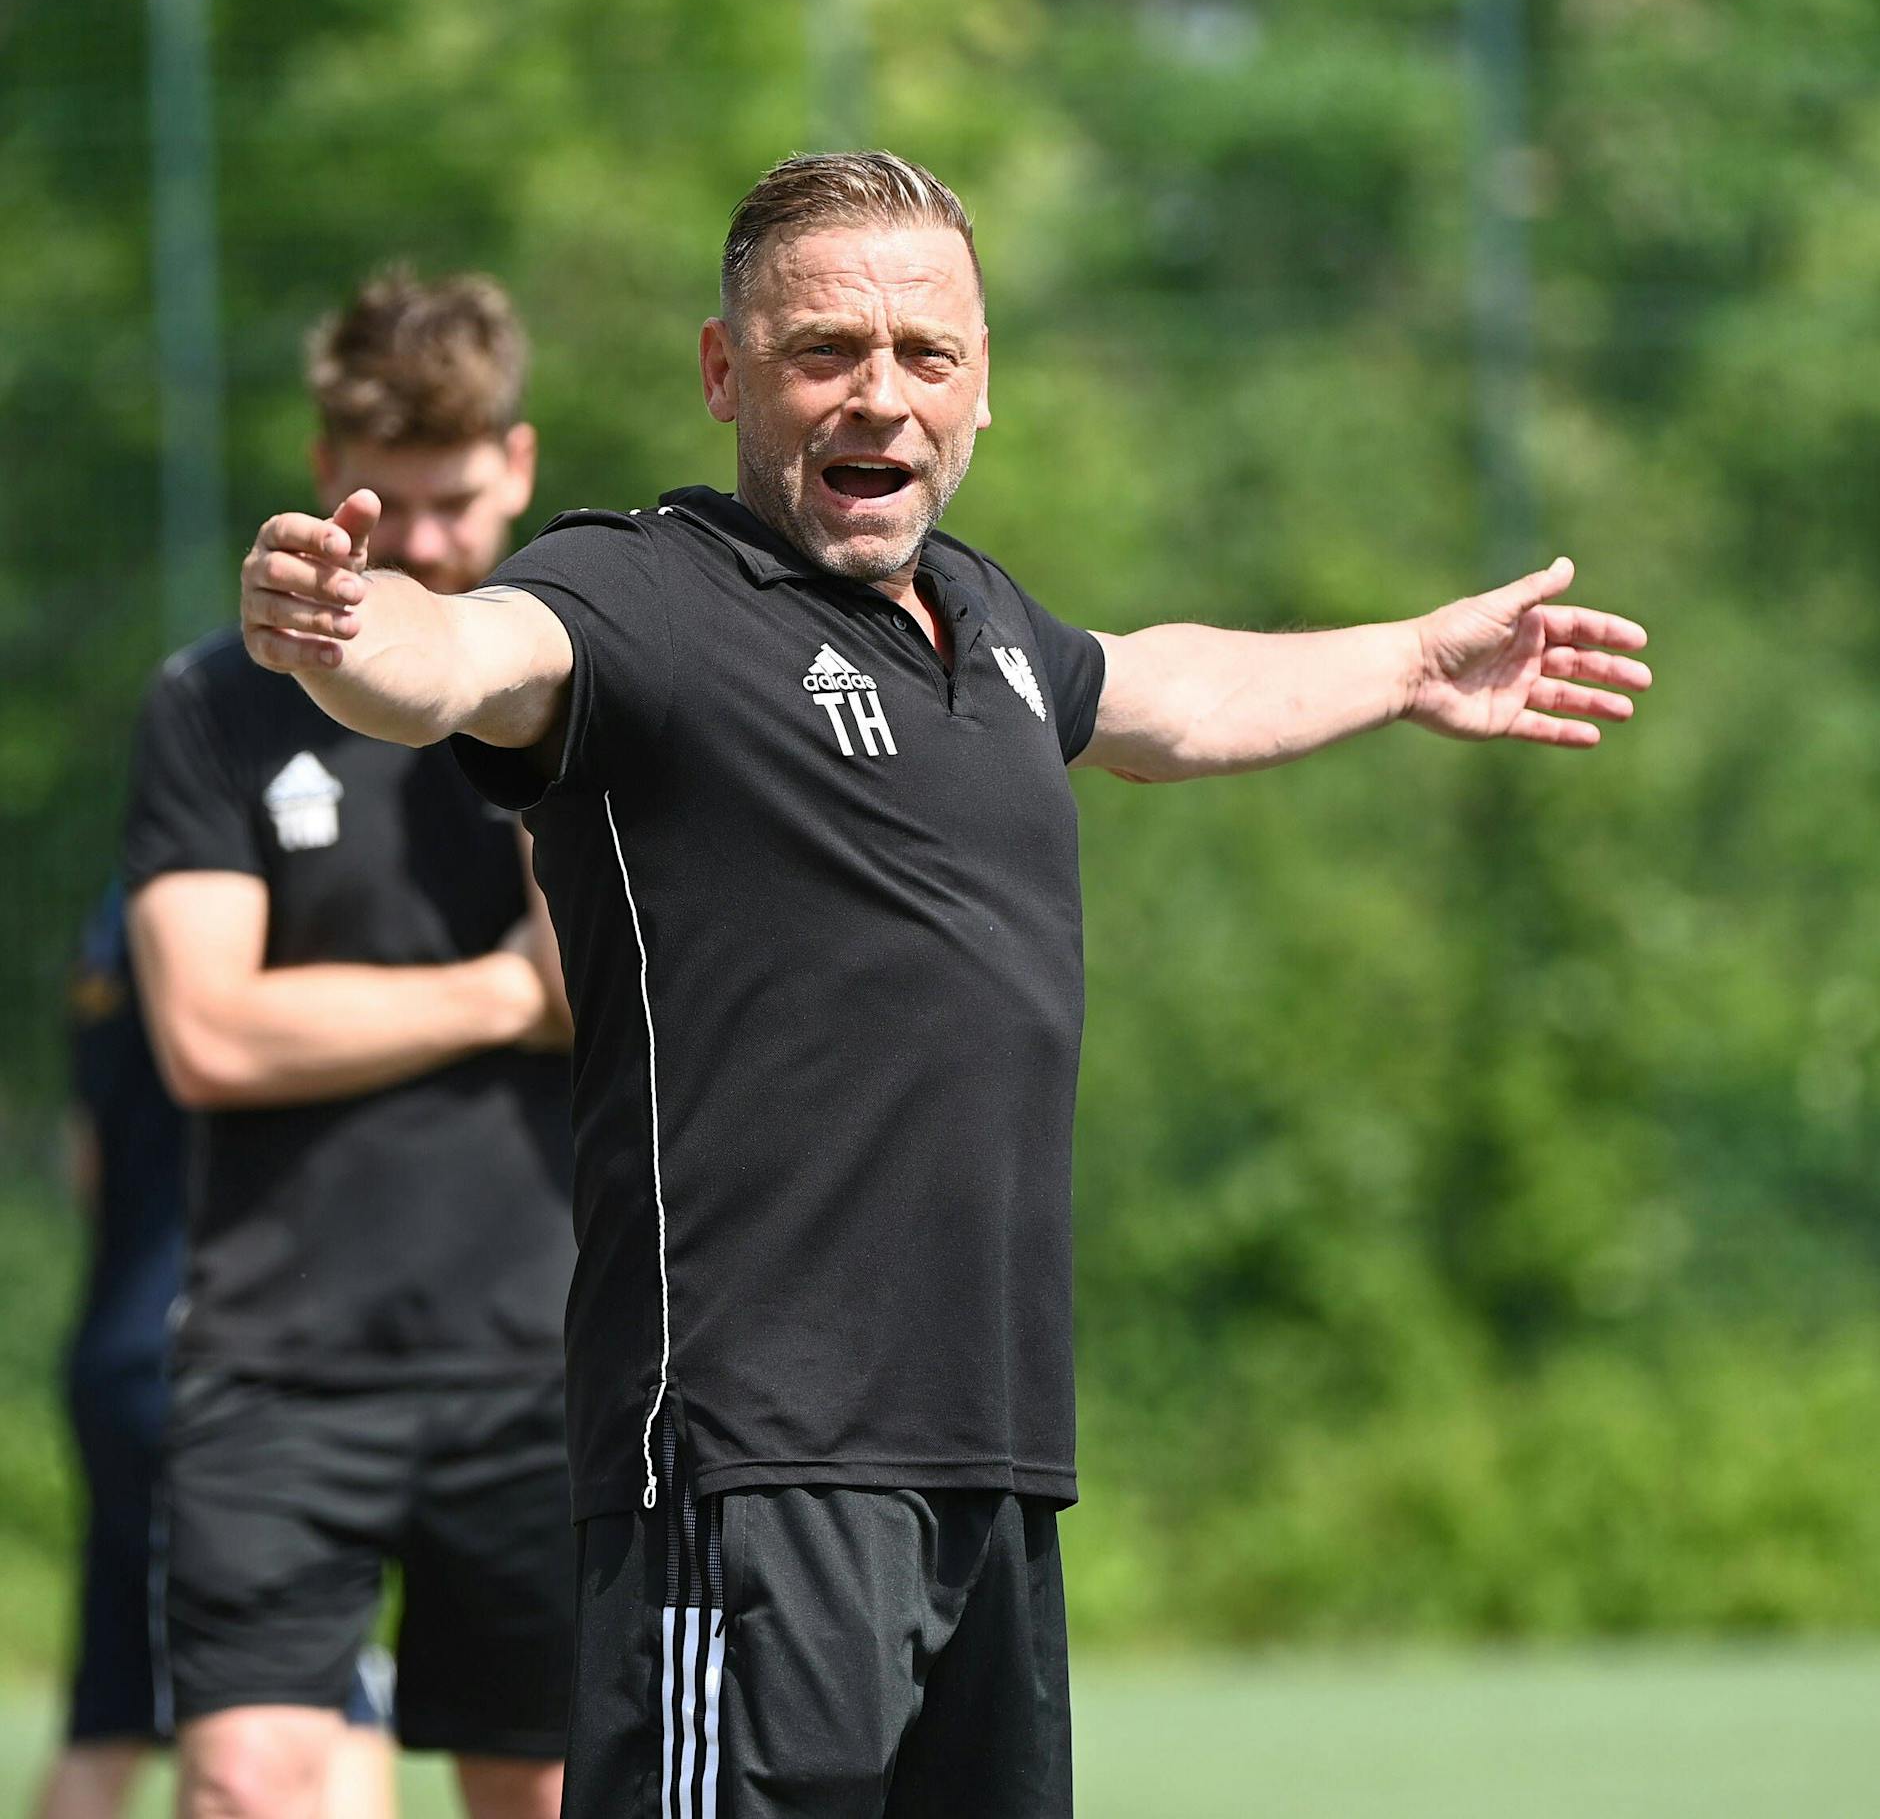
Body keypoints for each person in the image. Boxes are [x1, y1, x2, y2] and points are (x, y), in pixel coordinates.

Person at [235, 153, 1653, 1819]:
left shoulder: (977, 619)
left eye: (927, 357)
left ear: (982, 389)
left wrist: (1407, 662)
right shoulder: (645, 594)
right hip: (752, 1468)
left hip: (985, 1468)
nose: (879, 396)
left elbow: (1162, 692)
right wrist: (341, 632)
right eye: (825, 350)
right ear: (725, 373)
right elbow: (464, 656)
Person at [124, 270, 579, 1819]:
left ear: (516, 467)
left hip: (541, 1354)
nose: (437, 541)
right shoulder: (211, 706)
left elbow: (599, 977)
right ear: (328, 474)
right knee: (247, 1782)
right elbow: (208, 1032)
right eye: (407, 502)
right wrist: (497, 997)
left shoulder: (570, 683)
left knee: (544, 1788)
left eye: (465, 499)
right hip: (279, 1354)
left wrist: (507, 693)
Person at [32, 884, 398, 1819]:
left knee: (107, 1717)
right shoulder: (273, 899)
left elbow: (87, 1165)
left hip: (121, 1343)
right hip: (217, 1362)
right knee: (324, 1708)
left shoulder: (115, 914)